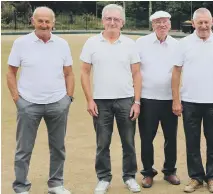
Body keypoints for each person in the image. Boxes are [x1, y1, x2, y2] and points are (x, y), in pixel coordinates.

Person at [7, 6, 74, 194]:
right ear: (33, 21)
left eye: (47, 21)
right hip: (28, 104)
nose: (44, 25)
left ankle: (56, 184)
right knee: (24, 150)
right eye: (40, 21)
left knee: (58, 148)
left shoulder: (62, 44)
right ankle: (20, 187)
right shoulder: (21, 43)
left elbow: (69, 73)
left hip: (57, 103)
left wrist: (68, 98)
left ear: (53, 23)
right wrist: (17, 99)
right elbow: (11, 73)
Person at [80, 4, 142, 194]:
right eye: (109, 18)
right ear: (103, 21)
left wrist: (137, 102)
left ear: (122, 22)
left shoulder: (130, 44)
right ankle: (103, 178)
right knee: (102, 143)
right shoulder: (91, 43)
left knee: (128, 142)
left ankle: (130, 176)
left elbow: (137, 74)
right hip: (101, 101)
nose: (112, 22)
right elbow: (84, 72)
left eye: (116, 19)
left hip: (126, 100)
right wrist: (90, 100)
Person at [171, 7, 213, 193]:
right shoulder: (184, 43)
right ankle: (196, 177)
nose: (203, 26)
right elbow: (176, 72)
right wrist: (176, 100)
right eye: (200, 22)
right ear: (193, 23)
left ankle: (212, 177)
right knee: (192, 141)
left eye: (207, 22)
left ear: (212, 22)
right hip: (190, 102)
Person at [135, 10, 180, 188]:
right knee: (147, 138)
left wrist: (178, 99)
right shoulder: (141, 43)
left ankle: (170, 171)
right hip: (147, 98)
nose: (162, 25)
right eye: (158, 22)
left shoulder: (178, 44)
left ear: (170, 24)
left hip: (170, 99)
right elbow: (136, 71)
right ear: (152, 25)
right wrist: (136, 99)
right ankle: (147, 172)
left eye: (165, 22)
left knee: (171, 138)